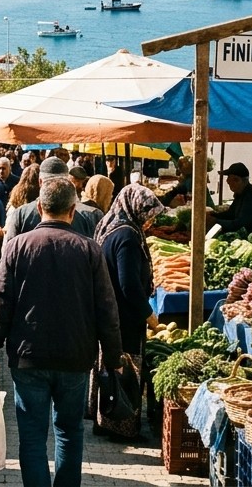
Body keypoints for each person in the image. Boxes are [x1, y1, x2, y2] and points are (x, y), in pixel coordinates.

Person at [0, 177, 122, 487]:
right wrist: (113, 357)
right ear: (73, 211)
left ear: (40, 207)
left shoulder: (17, 246)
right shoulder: (89, 249)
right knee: (70, 433)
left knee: (32, 437)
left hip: (28, 358)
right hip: (75, 357)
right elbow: (106, 309)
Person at [90, 183, 164, 440]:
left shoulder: (112, 227)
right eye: (148, 215)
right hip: (124, 317)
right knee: (125, 371)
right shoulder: (128, 237)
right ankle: (121, 425)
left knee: (110, 368)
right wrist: (149, 316)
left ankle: (105, 419)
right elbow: (129, 284)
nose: (150, 222)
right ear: (136, 209)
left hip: (110, 313)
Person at [7, 158, 103, 239]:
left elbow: (8, 254)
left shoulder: (21, 214)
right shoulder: (93, 215)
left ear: (40, 182)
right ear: (68, 181)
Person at [210, 162, 252, 238]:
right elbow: (230, 214)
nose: (227, 181)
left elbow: (239, 224)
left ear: (239, 180)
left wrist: (215, 221)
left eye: (229, 178)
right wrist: (214, 215)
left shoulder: (251, 196)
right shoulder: (240, 194)